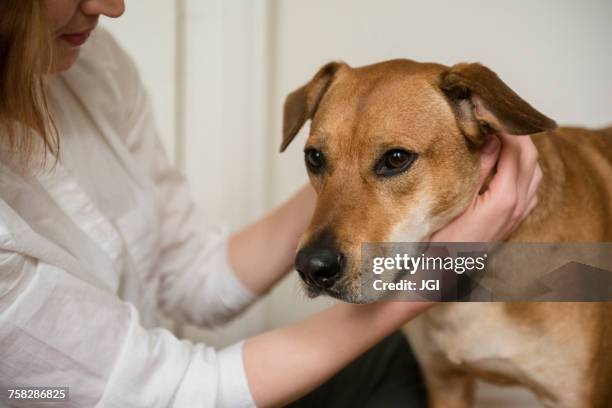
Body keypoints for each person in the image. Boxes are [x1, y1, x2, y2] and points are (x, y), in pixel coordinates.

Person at [0, 1, 541, 407]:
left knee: (394, 359)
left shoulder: (86, 62)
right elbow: (171, 392)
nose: (112, 6)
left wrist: (347, 156)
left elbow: (190, 278)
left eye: (395, 159)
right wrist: (436, 273)